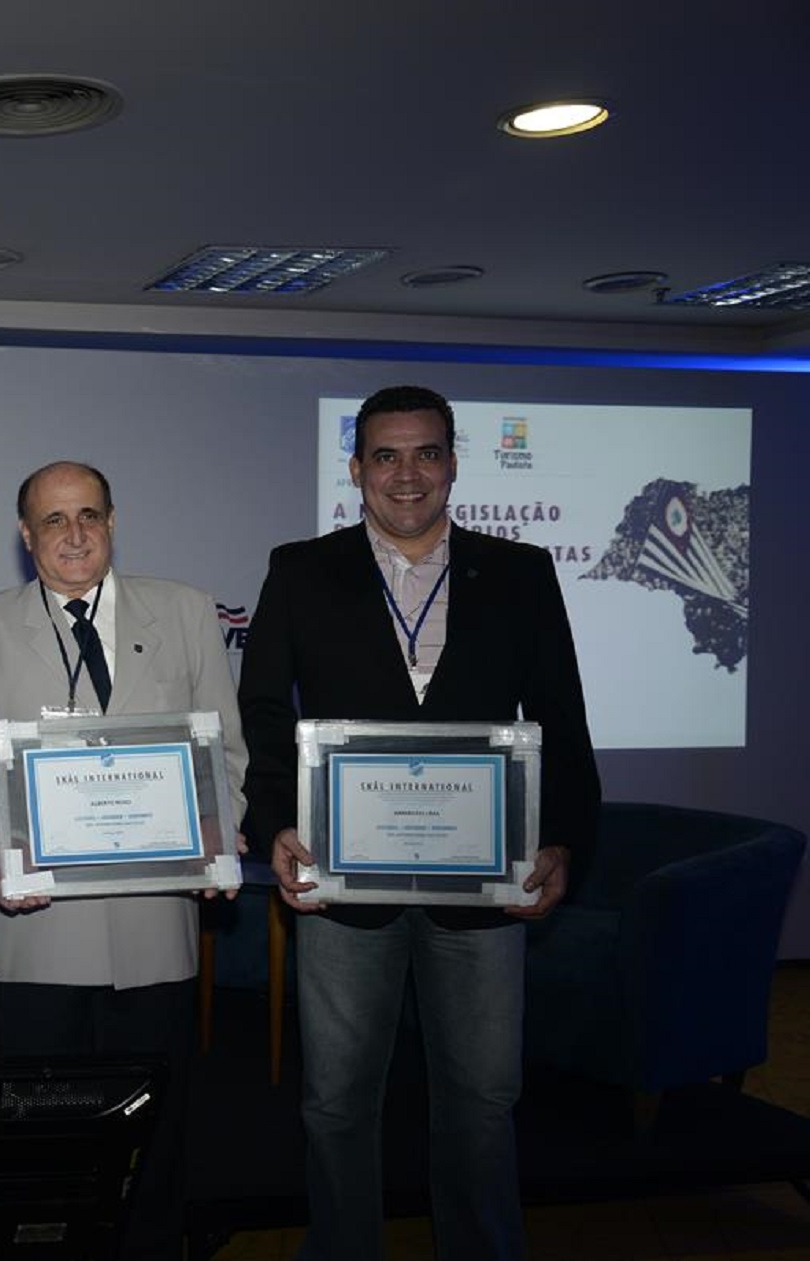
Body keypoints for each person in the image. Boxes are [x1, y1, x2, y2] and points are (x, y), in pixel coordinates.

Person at [237, 384, 601, 1261]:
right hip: (342, 883)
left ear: (453, 463)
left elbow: (560, 717)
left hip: (483, 886)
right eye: (387, 455)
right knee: (336, 1103)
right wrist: (277, 822)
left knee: (483, 1100)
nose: (408, 474)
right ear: (357, 467)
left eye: (427, 453)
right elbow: (263, 712)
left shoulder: (520, 572)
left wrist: (561, 841)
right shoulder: (301, 569)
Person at [0, 459, 246, 1260]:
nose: (73, 533)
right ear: (26, 534)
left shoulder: (184, 610)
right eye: (53, 519)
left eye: (89, 515)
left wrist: (218, 831)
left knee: (158, 1124)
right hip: (37, 926)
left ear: (113, 522)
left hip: (155, 924)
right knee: (45, 1126)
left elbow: (225, 752)